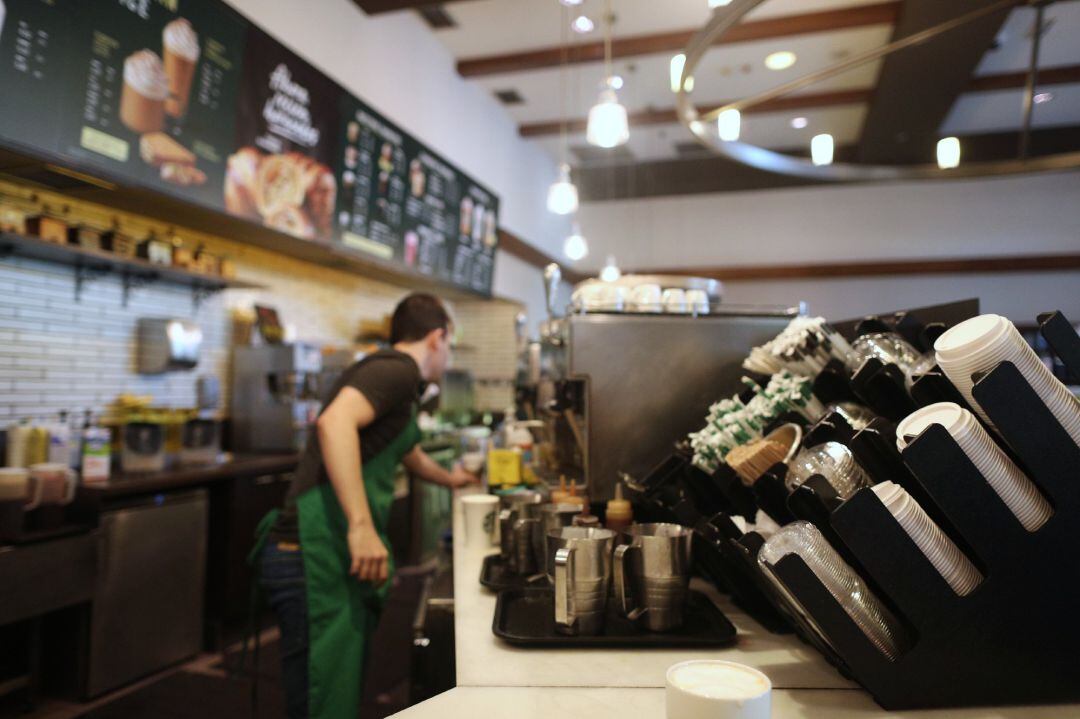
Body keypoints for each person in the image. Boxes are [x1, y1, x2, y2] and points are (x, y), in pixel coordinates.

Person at [252, 293, 479, 719]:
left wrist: (454, 479)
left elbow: (408, 451)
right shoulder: (396, 369)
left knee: (334, 688)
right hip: (311, 553)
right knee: (322, 696)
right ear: (438, 337)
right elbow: (334, 423)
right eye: (448, 345)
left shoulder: (400, 384)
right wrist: (361, 526)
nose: (446, 356)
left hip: (327, 553)